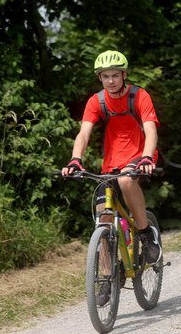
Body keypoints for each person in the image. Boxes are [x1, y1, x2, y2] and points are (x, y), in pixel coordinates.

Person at [61, 50, 162, 276]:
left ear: (124, 75)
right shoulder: (96, 101)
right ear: (100, 78)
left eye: (115, 75)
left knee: (127, 180)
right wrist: (75, 159)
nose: (110, 81)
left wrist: (147, 157)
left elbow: (151, 131)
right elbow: (83, 134)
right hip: (111, 164)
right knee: (103, 217)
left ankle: (146, 234)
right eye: (105, 76)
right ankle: (107, 277)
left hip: (140, 156)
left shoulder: (139, 96)